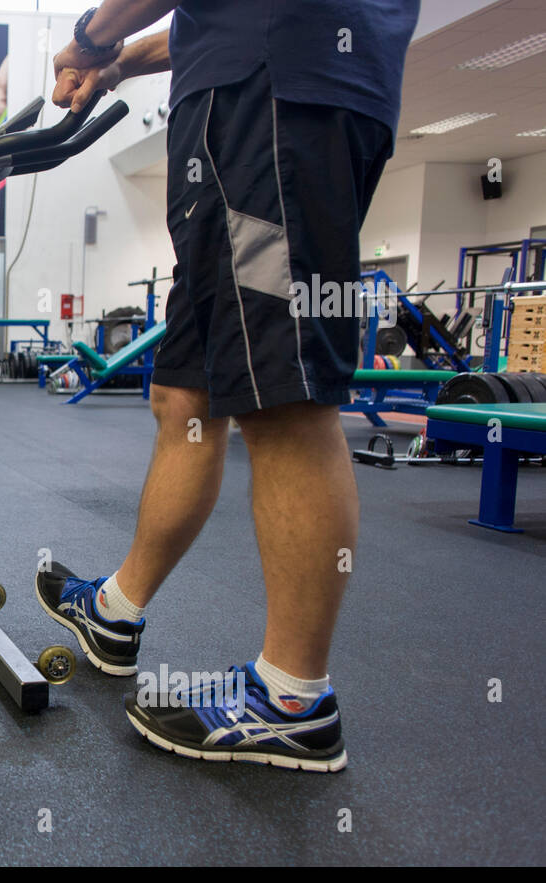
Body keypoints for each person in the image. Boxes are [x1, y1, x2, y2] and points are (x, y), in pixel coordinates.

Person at [35, 0, 420, 771]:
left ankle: (292, 701)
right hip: (245, 93)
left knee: (284, 393)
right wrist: (117, 62)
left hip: (273, 93)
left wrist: (90, 33)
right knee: (185, 394)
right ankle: (114, 613)